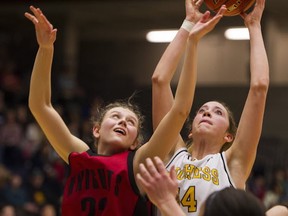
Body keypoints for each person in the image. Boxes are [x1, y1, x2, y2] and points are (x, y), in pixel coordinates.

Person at [24, 5, 226, 216]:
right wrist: (46, 49)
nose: (123, 122)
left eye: (131, 122)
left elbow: (179, 111)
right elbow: (40, 106)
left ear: (135, 142)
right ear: (96, 130)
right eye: (116, 117)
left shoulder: (138, 163)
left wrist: (189, 32)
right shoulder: (80, 157)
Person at [151, 0, 269, 215]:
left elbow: (259, 87)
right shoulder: (172, 153)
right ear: (189, 130)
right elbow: (159, 81)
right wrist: (188, 25)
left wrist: (254, 27)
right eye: (202, 110)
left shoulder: (233, 162)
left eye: (218, 112)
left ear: (229, 137)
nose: (207, 112)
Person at [136, 157, 267, 216]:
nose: (207, 114)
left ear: (228, 136)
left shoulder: (228, 161)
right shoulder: (180, 155)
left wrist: (166, 201)